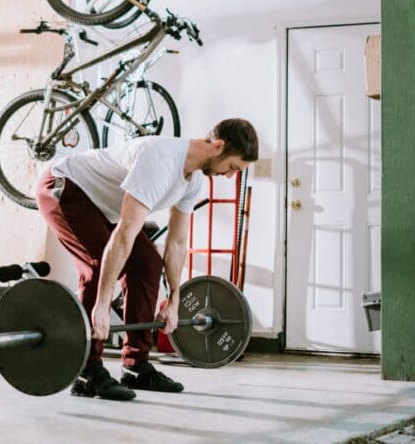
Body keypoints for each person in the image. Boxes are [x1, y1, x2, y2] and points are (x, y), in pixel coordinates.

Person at [35, 118, 259, 400]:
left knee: (147, 264)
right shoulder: (160, 158)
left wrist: (174, 298)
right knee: (97, 264)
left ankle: (136, 365)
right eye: (232, 168)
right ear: (218, 146)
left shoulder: (194, 180)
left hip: (102, 208)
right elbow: (126, 232)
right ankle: (86, 370)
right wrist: (103, 303)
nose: (230, 176)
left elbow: (177, 243)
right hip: (65, 187)